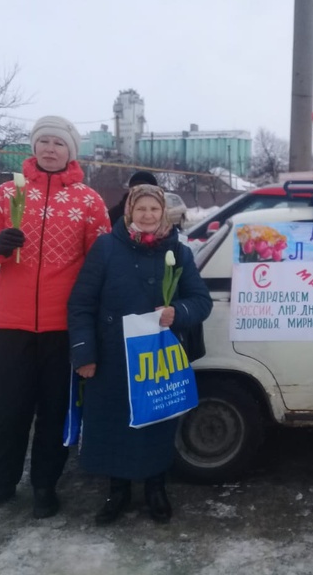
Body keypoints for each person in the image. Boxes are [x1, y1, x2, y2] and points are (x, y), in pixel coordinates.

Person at [0, 115, 111, 518]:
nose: (50, 148)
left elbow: (99, 263)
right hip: (10, 323)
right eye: (43, 141)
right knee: (7, 409)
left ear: (71, 152)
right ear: (33, 146)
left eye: (58, 143)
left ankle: (45, 485)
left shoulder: (88, 200)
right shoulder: (6, 194)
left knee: (54, 411)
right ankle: (1, 483)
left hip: (63, 326)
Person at [67, 184, 212, 525]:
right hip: (112, 355)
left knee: (155, 425)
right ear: (130, 211)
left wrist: (178, 312)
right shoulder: (106, 247)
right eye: (141, 209)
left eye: (155, 210)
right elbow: (81, 304)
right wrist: (84, 354)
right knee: (114, 425)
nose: (148, 216)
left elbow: (201, 301)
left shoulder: (179, 251)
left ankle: (155, 488)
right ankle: (116, 492)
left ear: (164, 213)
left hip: (155, 359)